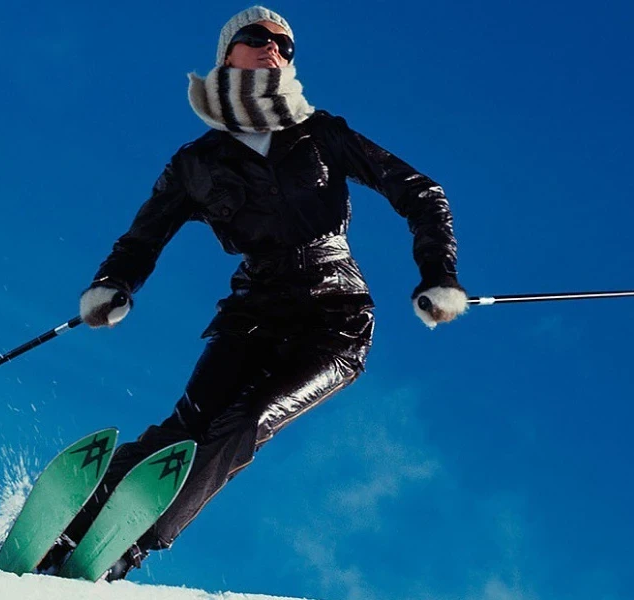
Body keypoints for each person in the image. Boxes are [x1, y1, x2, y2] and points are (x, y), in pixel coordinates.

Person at [56, 5, 467, 580]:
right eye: (257, 38)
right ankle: (67, 526)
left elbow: (422, 193)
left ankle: (126, 547)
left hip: (334, 317)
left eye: (285, 45)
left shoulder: (322, 133)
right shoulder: (197, 163)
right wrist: (113, 285)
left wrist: (438, 273)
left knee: (246, 419)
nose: (274, 48)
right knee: (188, 427)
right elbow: (141, 238)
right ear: (227, 53)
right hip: (254, 309)